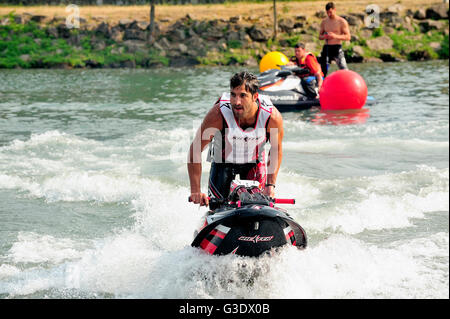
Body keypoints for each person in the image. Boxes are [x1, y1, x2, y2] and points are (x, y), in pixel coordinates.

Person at [187, 71, 284, 207]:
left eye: (243, 96)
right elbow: (195, 150)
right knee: (217, 207)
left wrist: (270, 185)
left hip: (254, 163)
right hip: (223, 162)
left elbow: (276, 150)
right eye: (233, 95)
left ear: (255, 97)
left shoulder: (272, 117)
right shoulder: (217, 115)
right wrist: (195, 191)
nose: (236, 102)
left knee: (257, 206)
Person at [318, 2, 351, 77]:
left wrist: (335, 36)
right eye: (327, 13)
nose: (329, 14)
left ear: (334, 10)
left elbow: (348, 37)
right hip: (327, 48)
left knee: (344, 69)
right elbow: (320, 36)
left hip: (337, 48)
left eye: (330, 12)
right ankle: (321, 85)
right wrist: (324, 36)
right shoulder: (324, 22)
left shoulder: (341, 22)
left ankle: (347, 83)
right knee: (322, 70)